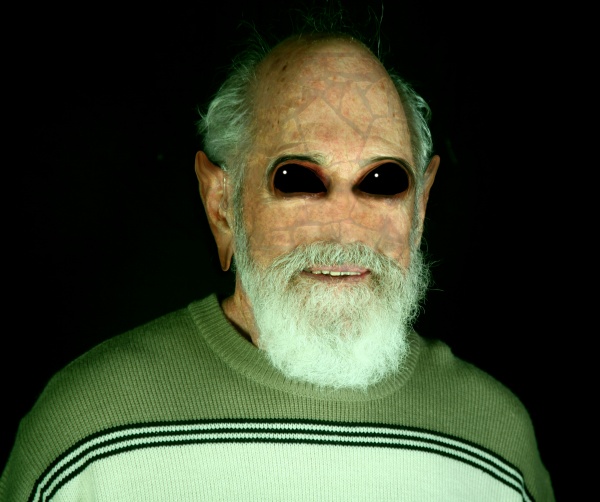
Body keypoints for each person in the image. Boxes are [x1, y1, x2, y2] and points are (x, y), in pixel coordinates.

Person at [0, 21, 555, 502]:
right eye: (296, 179)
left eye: (382, 180)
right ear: (222, 205)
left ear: (421, 205)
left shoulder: (496, 444)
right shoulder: (86, 436)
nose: (344, 228)